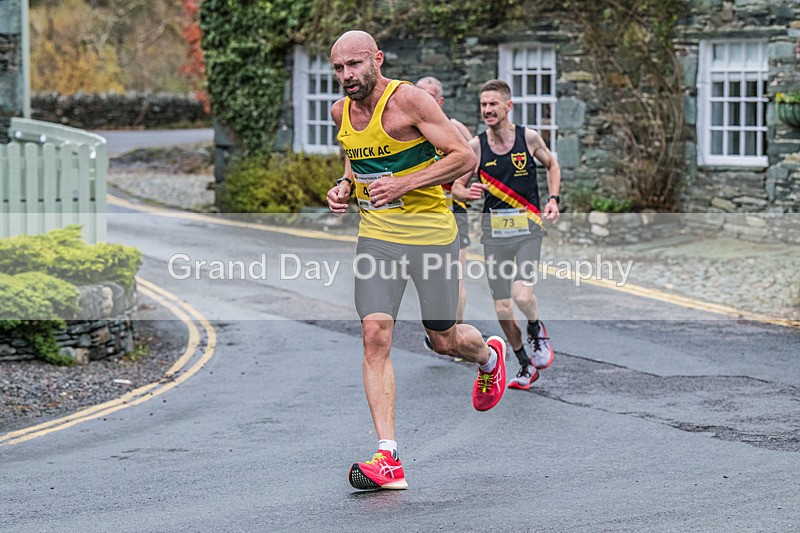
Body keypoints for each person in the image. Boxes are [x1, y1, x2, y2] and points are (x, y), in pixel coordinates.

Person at [326, 31, 507, 491]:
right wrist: (345, 187)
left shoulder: (410, 101)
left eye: (354, 65)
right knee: (374, 334)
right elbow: (355, 160)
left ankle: (488, 356)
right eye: (339, 68)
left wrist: (406, 185)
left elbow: (464, 155)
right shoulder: (340, 112)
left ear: (377, 60)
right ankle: (388, 457)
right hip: (378, 238)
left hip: (431, 237)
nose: (347, 76)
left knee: (444, 340)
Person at [453, 79, 561, 391]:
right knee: (501, 308)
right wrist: (466, 191)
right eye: (483, 105)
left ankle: (536, 329)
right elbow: (457, 187)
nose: (487, 110)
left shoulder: (528, 138)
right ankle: (525, 364)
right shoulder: (476, 146)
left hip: (528, 231)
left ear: (508, 106)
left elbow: (552, 165)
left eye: (493, 104)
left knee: (522, 295)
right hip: (493, 236)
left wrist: (553, 200)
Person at [414, 76, 472, 352]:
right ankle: (445, 331)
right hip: (423, 210)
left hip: (452, 207)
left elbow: (474, 156)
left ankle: (455, 333)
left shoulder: (454, 128)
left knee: (456, 276)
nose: (424, 100)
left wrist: (460, 185)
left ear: (440, 101)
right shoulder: (410, 126)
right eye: (419, 94)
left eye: (430, 96)